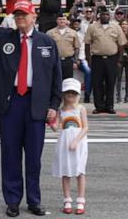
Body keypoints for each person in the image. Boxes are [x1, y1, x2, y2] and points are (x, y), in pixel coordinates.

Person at [0, 0, 62, 217]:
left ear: (34, 16)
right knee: (10, 154)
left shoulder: (46, 42)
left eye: (24, 14)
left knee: (34, 157)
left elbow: (55, 76)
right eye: (17, 15)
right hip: (12, 103)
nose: (20, 18)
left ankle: (34, 200)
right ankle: (12, 201)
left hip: (36, 103)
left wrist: (54, 105)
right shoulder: (3, 37)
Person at [50, 78, 88, 215]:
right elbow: (57, 127)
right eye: (68, 92)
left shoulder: (80, 109)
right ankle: (67, 200)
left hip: (79, 143)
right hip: (65, 142)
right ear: (63, 94)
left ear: (78, 94)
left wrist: (76, 141)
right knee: (65, 172)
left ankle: (81, 201)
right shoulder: (61, 111)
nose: (70, 95)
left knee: (80, 171)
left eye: (74, 93)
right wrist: (50, 122)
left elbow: (85, 128)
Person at [85, 8, 127, 114]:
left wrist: (120, 59)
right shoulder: (92, 27)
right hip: (97, 59)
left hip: (112, 58)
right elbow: (87, 43)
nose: (105, 16)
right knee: (97, 83)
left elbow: (121, 44)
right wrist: (88, 58)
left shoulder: (116, 27)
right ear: (99, 16)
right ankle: (99, 106)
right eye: (103, 15)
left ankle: (109, 106)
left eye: (107, 15)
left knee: (110, 82)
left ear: (110, 16)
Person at [47, 13, 80, 79]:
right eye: (60, 19)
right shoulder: (50, 33)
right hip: (55, 61)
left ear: (67, 21)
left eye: (63, 19)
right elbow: (47, 48)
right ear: (56, 20)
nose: (62, 21)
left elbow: (76, 48)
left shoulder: (73, 33)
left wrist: (75, 61)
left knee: (68, 81)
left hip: (68, 61)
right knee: (55, 80)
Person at [71, 18, 92, 103]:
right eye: (75, 24)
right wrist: (73, 60)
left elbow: (83, 48)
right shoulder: (70, 33)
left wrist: (79, 59)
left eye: (78, 24)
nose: (77, 25)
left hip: (81, 59)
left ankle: (87, 95)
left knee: (88, 72)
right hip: (69, 58)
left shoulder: (83, 35)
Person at [116, 20, 128, 103]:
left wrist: (125, 45)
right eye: (122, 24)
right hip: (119, 58)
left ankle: (127, 97)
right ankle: (118, 96)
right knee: (118, 78)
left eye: (126, 24)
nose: (124, 26)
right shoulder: (117, 34)